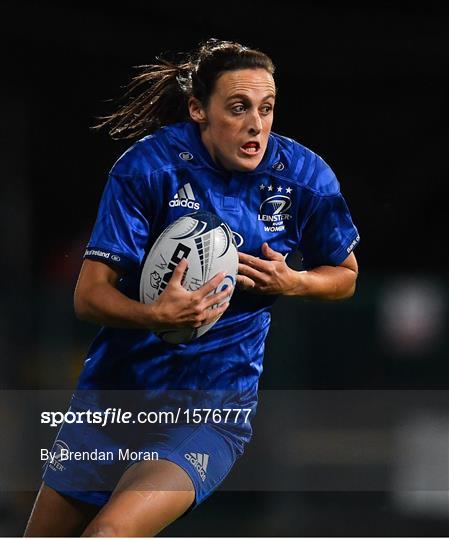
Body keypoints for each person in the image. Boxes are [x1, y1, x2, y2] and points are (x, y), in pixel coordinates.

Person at [24, 38, 360, 537]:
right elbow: (88, 296)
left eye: (266, 109)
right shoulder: (148, 169)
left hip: (208, 411)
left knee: (109, 534)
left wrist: (296, 281)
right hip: (114, 402)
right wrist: (155, 315)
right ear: (198, 109)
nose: (256, 125)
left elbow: (346, 276)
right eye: (239, 108)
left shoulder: (304, 179)